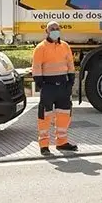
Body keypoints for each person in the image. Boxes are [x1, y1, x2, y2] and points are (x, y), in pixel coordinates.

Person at [32, 21, 78, 156]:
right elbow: (36, 67)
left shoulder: (65, 46)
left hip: (63, 86)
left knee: (64, 115)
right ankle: (44, 145)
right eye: (52, 29)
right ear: (47, 31)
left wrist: (70, 81)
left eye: (57, 28)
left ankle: (62, 142)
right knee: (45, 116)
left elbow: (70, 64)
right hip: (48, 86)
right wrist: (41, 84)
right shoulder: (40, 48)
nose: (55, 30)